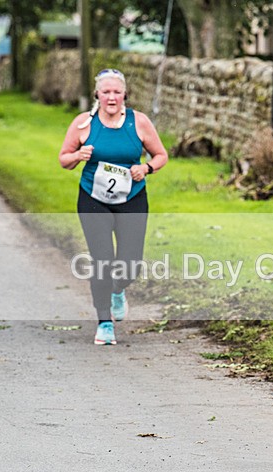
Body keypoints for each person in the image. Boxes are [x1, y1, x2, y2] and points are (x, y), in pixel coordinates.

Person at [59, 68, 168, 345]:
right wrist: (78, 155)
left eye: (116, 92)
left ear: (124, 95)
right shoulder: (84, 123)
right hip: (93, 200)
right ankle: (104, 322)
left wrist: (146, 168)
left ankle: (118, 290)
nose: (111, 97)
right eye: (106, 92)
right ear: (97, 94)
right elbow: (64, 159)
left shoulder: (139, 122)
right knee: (103, 259)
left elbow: (161, 155)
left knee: (130, 263)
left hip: (132, 199)